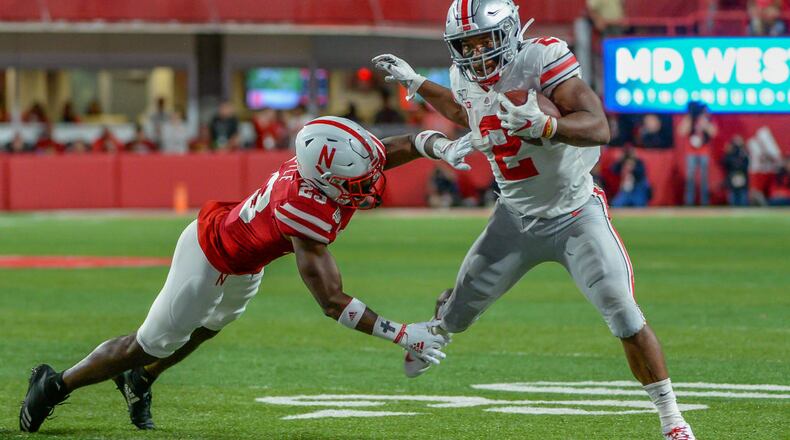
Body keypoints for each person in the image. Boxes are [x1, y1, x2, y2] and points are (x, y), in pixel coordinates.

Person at [19, 116, 472, 433]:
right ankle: (56, 384)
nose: (370, 184)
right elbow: (332, 302)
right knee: (150, 342)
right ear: (325, 180)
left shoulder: (327, 166)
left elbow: (402, 145)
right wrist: (401, 334)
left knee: (209, 327)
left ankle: (143, 379)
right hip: (210, 256)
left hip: (244, 258)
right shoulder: (304, 210)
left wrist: (443, 148)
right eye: (357, 181)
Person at [373, 1, 695, 438]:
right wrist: (418, 84)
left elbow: (599, 126)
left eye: (484, 39)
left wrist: (547, 127)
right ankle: (440, 326)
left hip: (576, 215)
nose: (476, 53)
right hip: (514, 217)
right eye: (465, 44)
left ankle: (672, 419)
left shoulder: (541, 57)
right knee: (458, 313)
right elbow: (464, 109)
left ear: (508, 32)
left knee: (624, 313)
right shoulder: (463, 76)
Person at [679, 102, 717, 206]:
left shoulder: (707, 120)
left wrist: (704, 123)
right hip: (691, 152)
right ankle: (689, 202)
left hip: (704, 152)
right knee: (690, 178)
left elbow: (714, 132)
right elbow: (681, 131)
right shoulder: (691, 118)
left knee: (704, 178)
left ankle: (705, 202)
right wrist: (690, 119)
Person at [721, 136, 750, 207]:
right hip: (732, 177)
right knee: (733, 199)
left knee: (743, 199)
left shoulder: (744, 153)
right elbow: (725, 163)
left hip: (742, 178)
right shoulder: (730, 153)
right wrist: (727, 153)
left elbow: (746, 165)